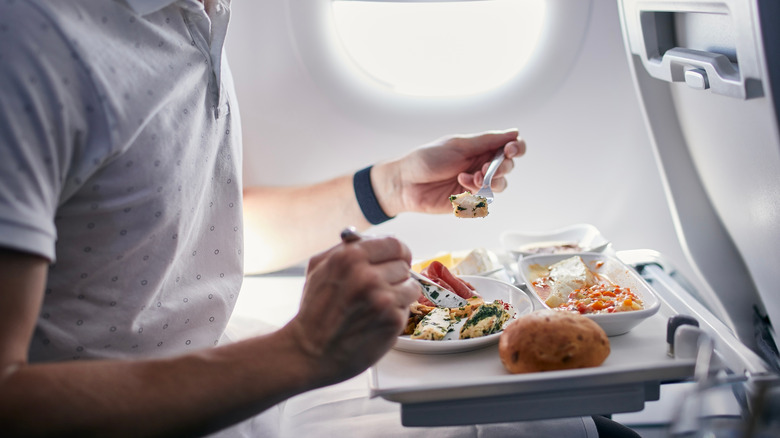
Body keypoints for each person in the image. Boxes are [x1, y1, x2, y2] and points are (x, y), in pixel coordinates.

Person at [0, 1, 642, 437]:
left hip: (228, 374)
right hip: (156, 413)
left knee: (558, 422)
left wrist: (388, 187)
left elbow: (185, 232)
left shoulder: (195, 15)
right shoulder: (31, 47)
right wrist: (300, 351)